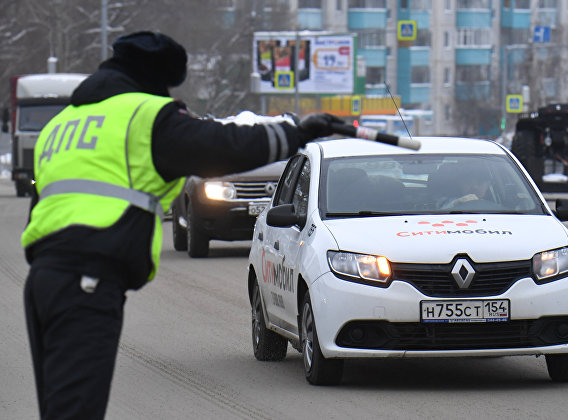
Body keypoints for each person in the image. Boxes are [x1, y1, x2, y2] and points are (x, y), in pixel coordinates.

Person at [22, 31, 341, 420]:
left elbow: (41, 210)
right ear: (155, 79)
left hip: (43, 280)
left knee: (58, 408)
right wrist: (295, 132)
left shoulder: (61, 126)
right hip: (87, 281)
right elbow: (222, 145)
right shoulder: (143, 116)